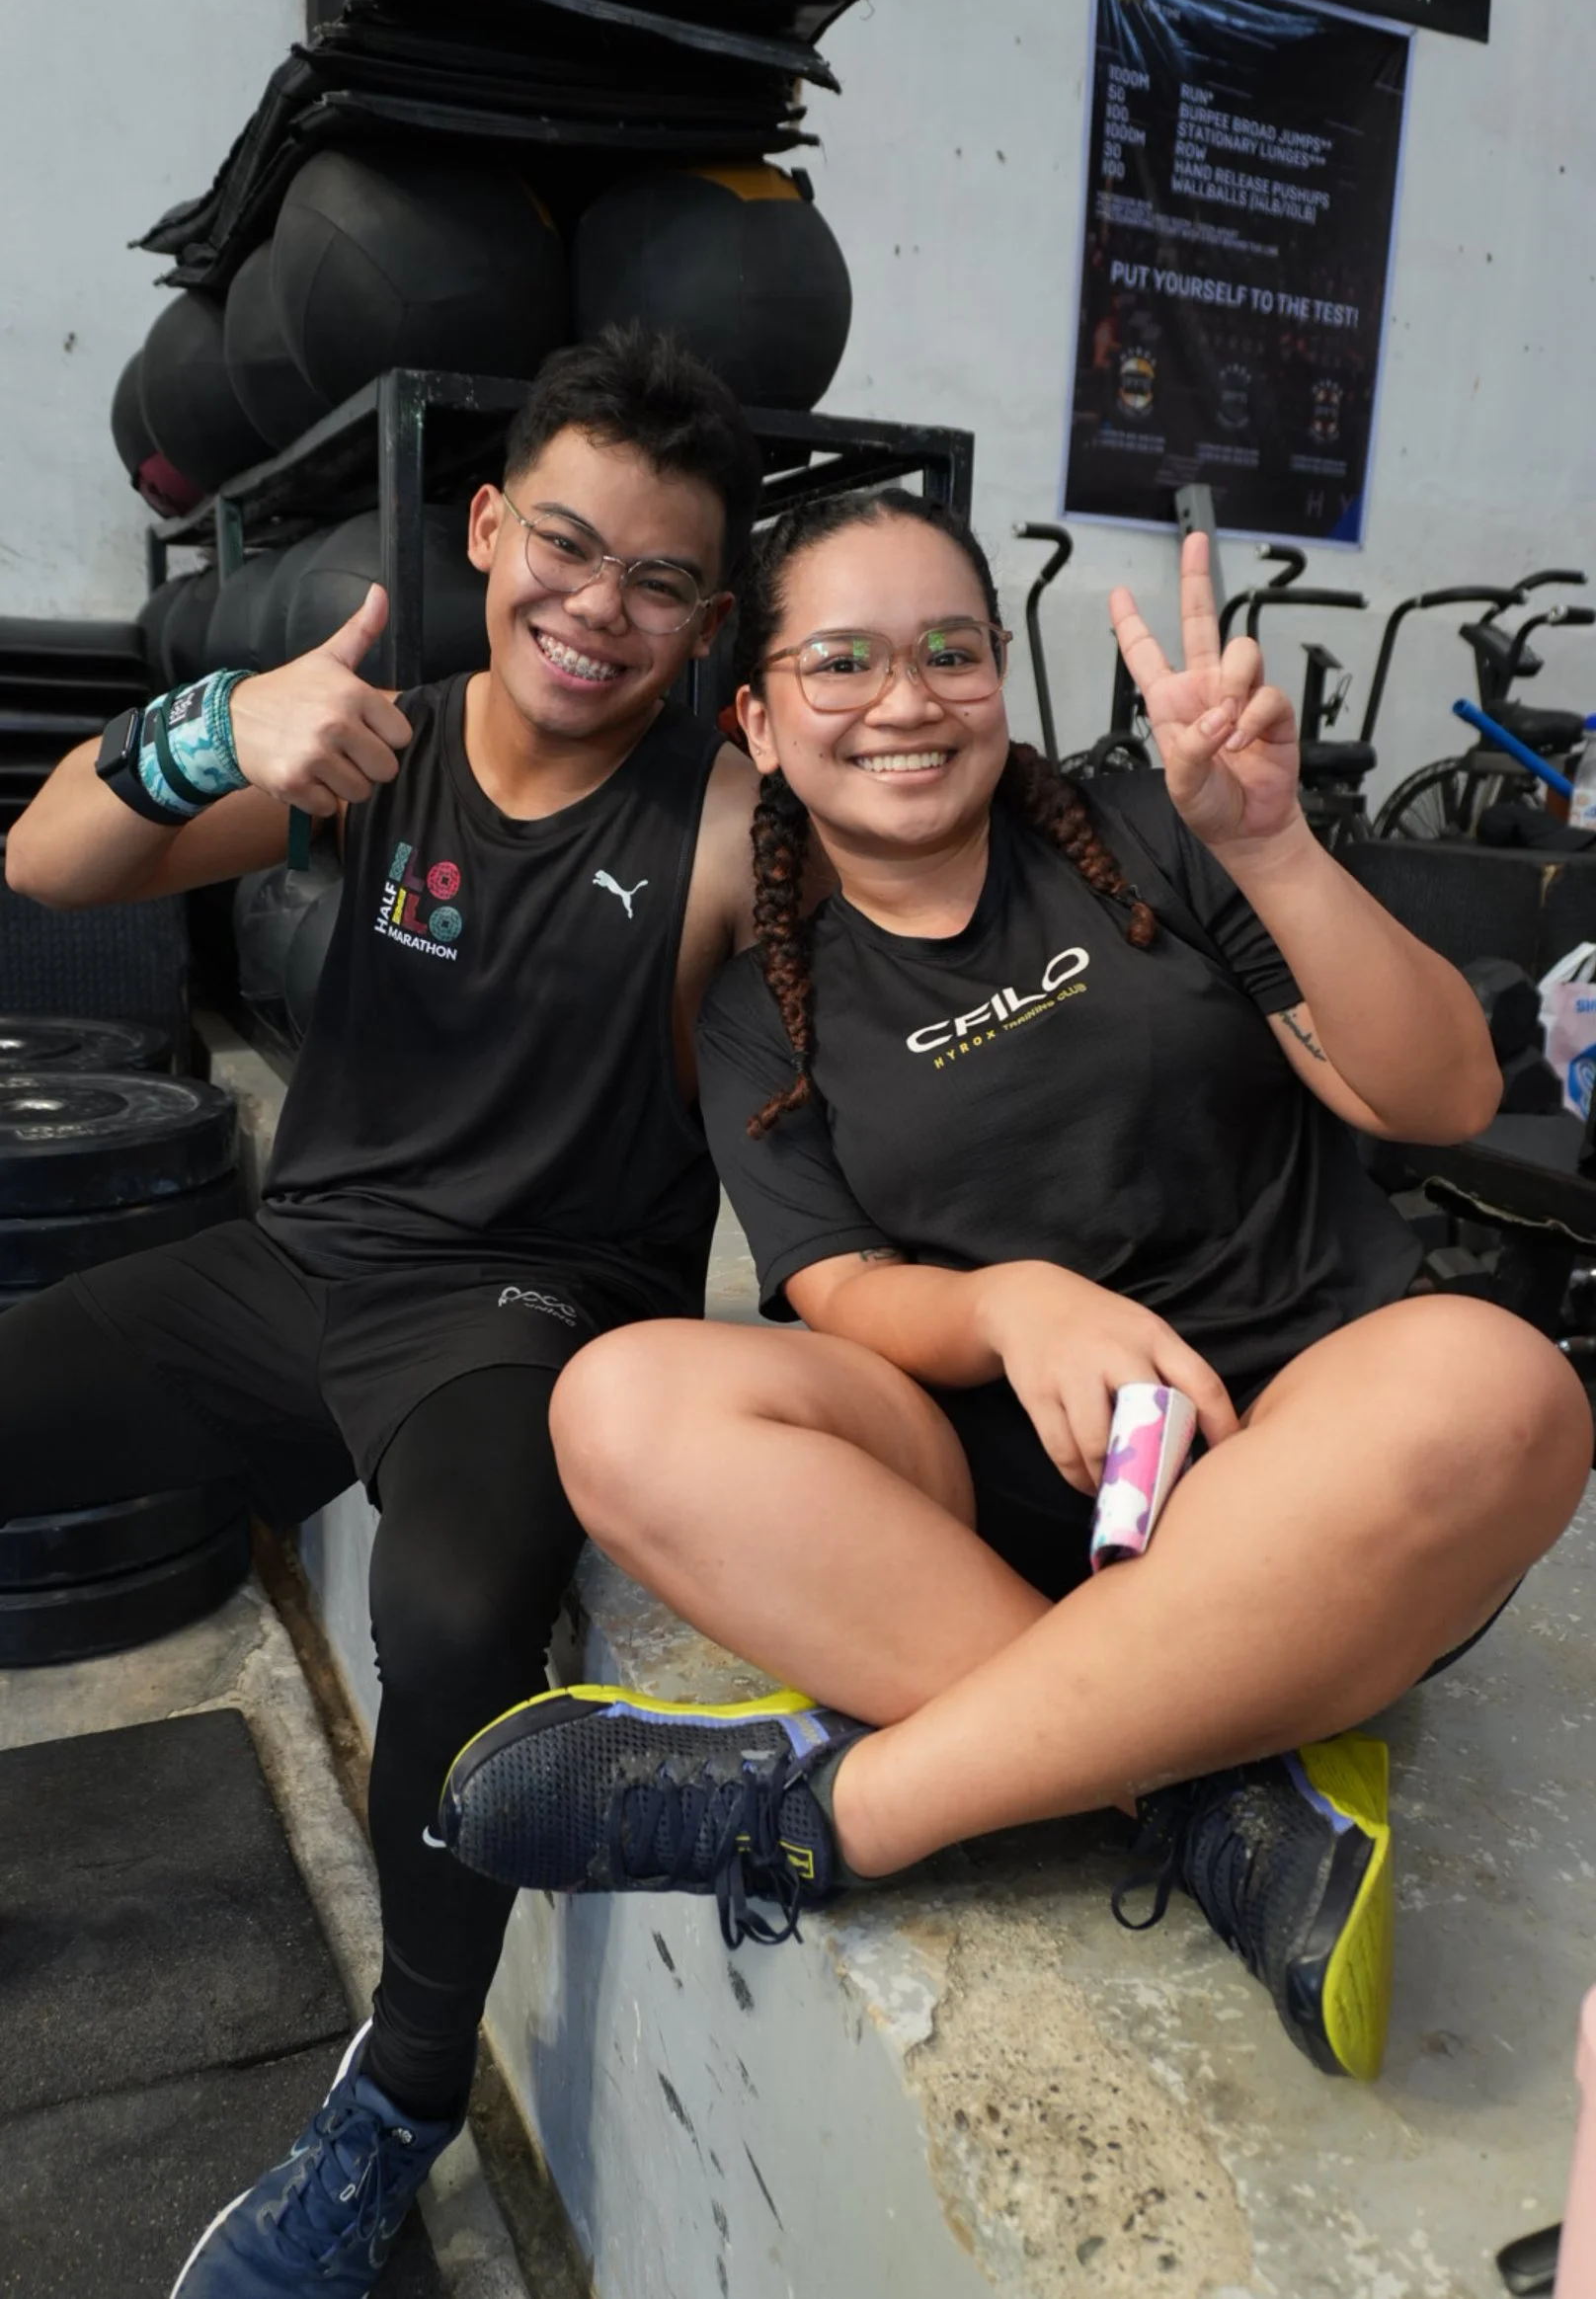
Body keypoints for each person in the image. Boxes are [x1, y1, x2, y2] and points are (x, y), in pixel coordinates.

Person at [439, 489, 1592, 2085]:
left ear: (1002, 676)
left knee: (1503, 1383)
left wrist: (1272, 842)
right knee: (622, 1400)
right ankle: (1201, 1791)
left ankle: (834, 1808)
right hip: (1009, 1503)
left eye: (950, 652)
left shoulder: (1151, 833)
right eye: (840, 662)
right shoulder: (766, 1001)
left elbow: (1445, 1097)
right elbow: (836, 1283)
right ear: (761, 721)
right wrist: (1006, 1305)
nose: (905, 699)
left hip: (1299, 1473)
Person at [1, 328, 765, 2294]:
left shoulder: (727, 823)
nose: (597, 608)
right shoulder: (375, 738)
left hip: (522, 1316)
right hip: (301, 1259)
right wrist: (212, 733)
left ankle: (397, 2104)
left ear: (703, 615)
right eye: (568, 546)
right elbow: (43, 853)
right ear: (491, 524)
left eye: (659, 578)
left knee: (446, 1620)